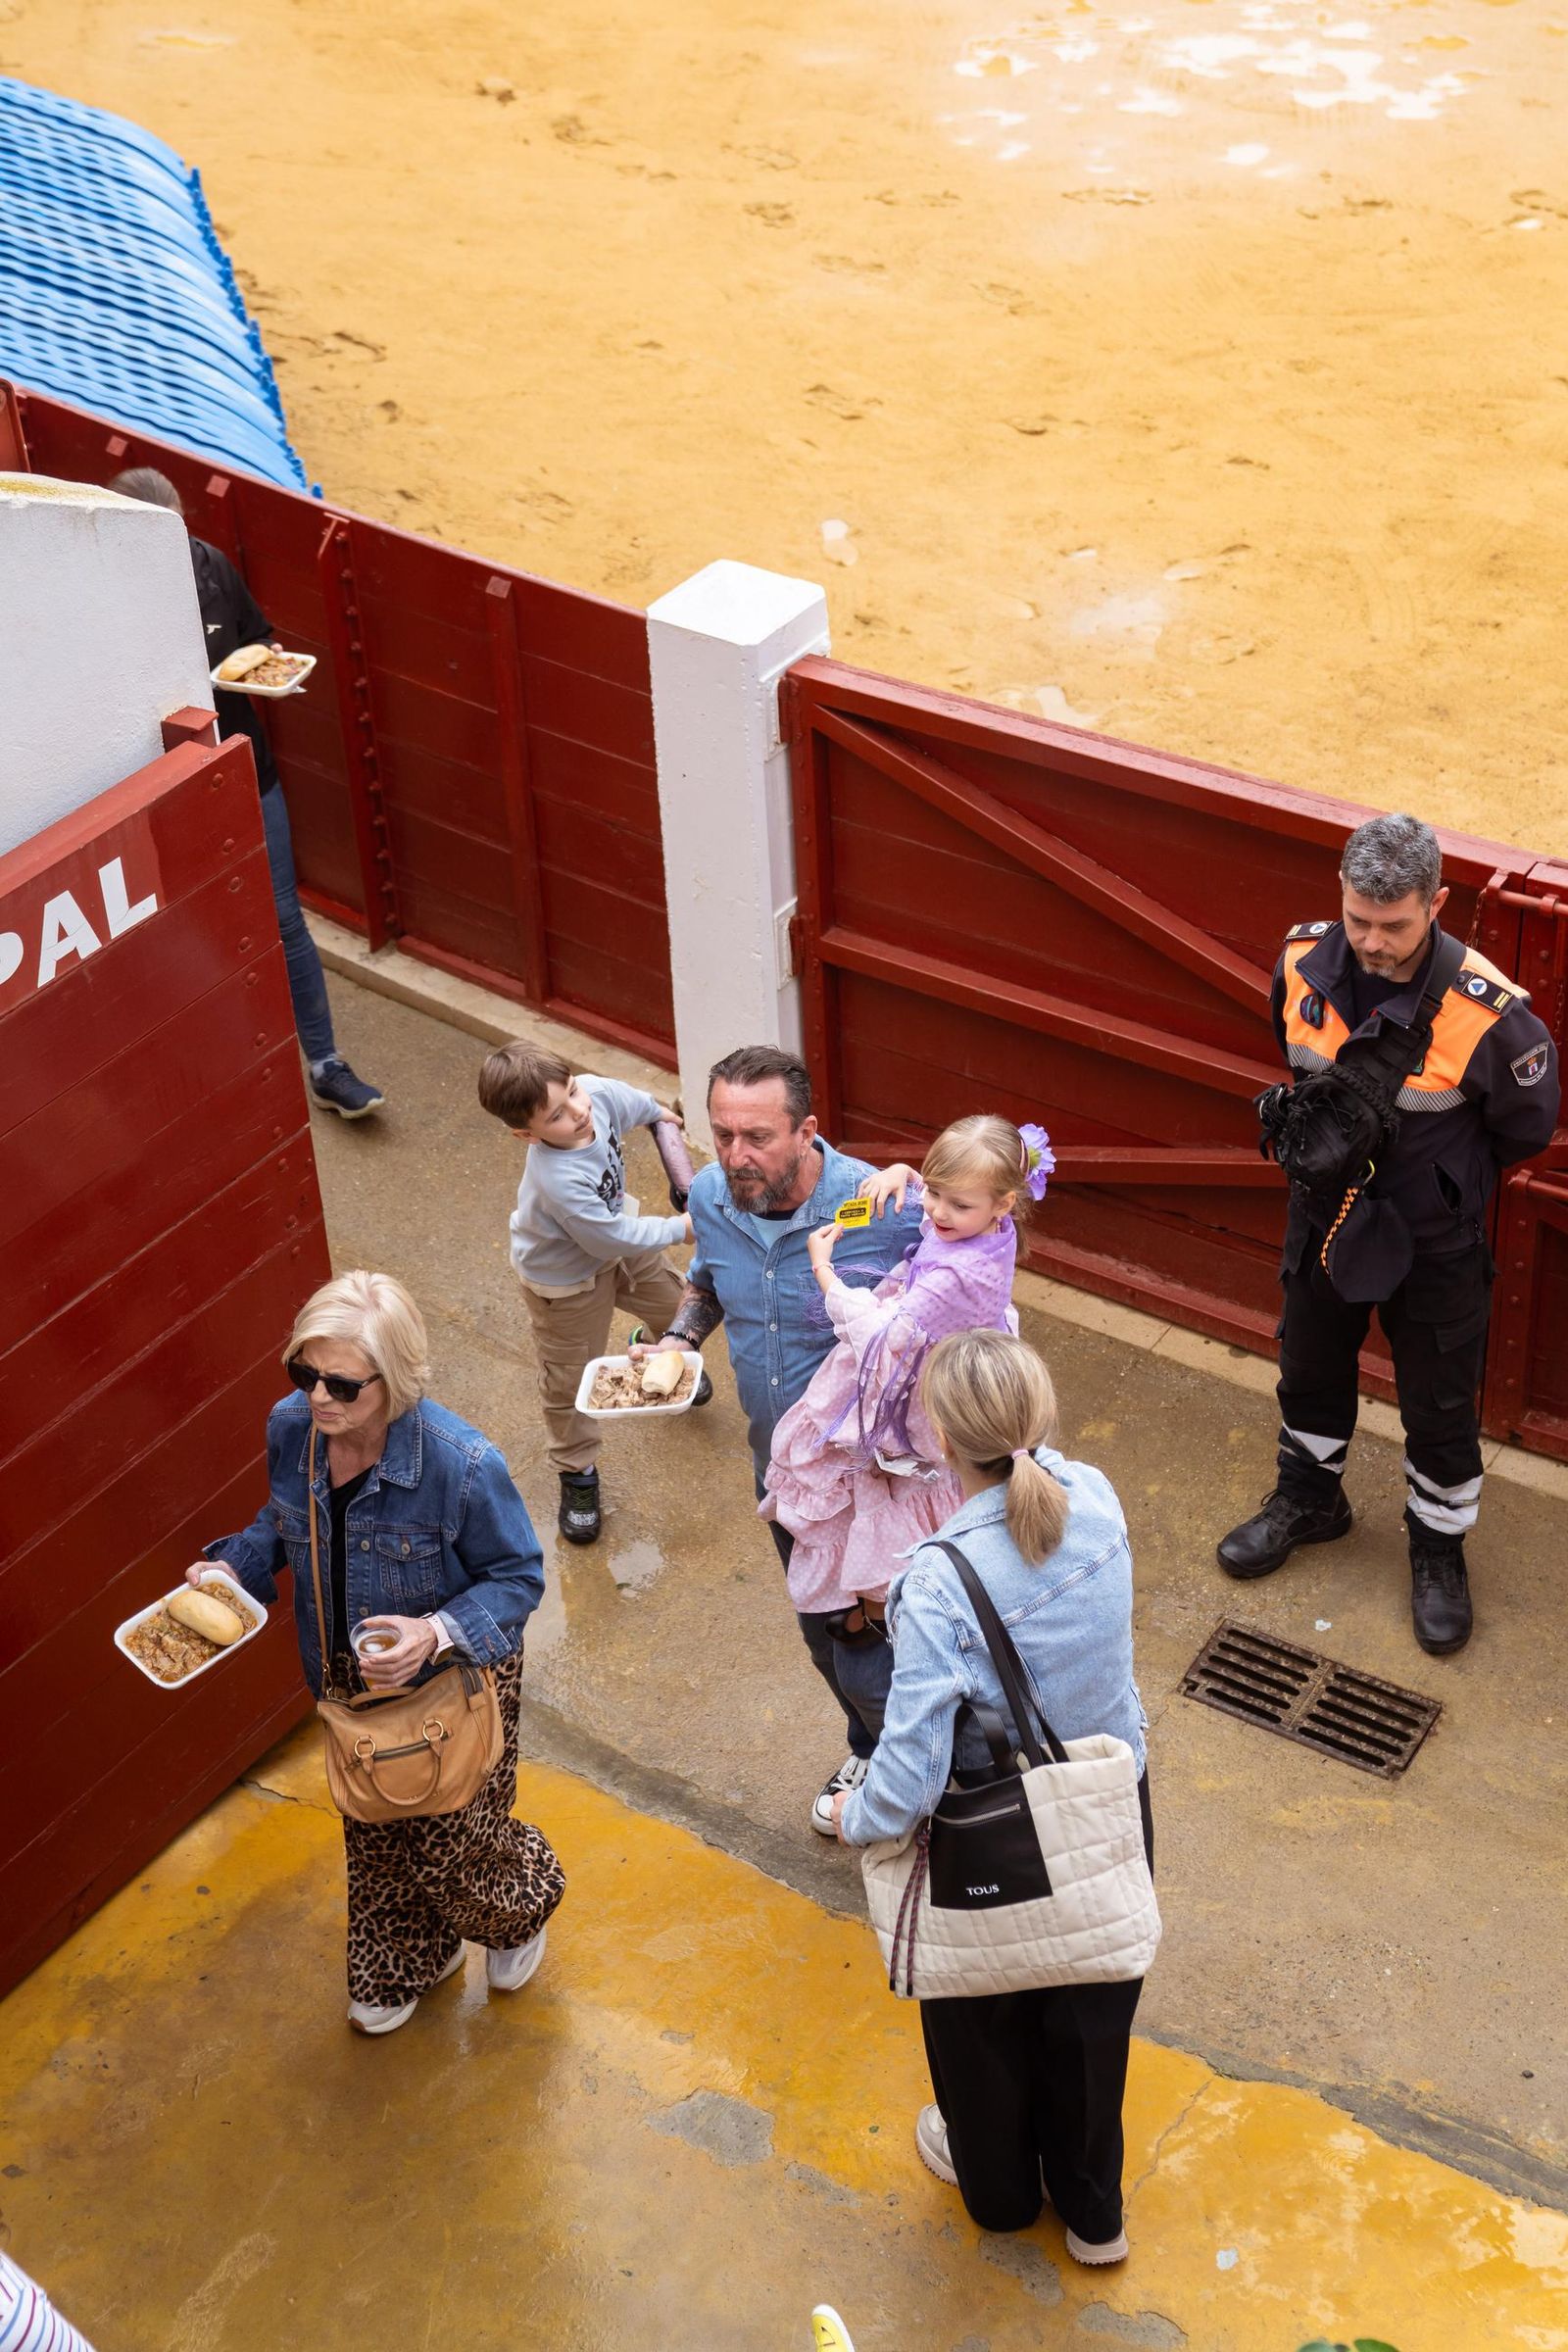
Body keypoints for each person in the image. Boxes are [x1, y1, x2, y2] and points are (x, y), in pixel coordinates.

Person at [832, 1329, 1150, 2265]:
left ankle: (1003, 2195)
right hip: (1105, 1798)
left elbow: (914, 1767)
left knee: (982, 2026)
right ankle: (1096, 2217)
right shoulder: (1096, 1496)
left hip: (993, 1831)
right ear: (1040, 1412)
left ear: (938, 1437)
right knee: (1091, 2023)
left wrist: (860, 1818)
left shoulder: (936, 1579)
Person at [1218, 812, 1559, 1654]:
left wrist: (1439, 1182)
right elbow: (1293, 1057)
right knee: (1308, 1363)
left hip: (1435, 1241)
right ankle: (1309, 1499)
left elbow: (1524, 1131)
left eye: (1394, 924)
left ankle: (1438, 1551)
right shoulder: (1300, 959)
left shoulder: (1493, 1015)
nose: (1371, 941)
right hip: (1322, 1217)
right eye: (1357, 919)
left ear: (1436, 902)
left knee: (1440, 1402)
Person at [191, 1269, 564, 2034]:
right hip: (346, 1680)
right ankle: (405, 1958)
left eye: (340, 1383)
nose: (317, 1397)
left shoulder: (462, 1466)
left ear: (393, 1380)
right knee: (375, 1834)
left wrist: (433, 1633)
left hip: (453, 1679)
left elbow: (519, 1578)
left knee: (452, 1845)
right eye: (304, 1373)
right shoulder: (293, 1428)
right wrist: (238, 1569)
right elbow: (280, 1519)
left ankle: (516, 1911)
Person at [632, 1045, 924, 1834]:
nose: (735, 1155)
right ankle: (873, 1744)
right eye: (722, 1134)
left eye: (757, 1136)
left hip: (878, 1480)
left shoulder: (883, 1206)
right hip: (784, 1475)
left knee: (887, 1638)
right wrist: (680, 1341)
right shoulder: (715, 1199)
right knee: (823, 1632)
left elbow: (977, 1270)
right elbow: (708, 1278)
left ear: (807, 1132)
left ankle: (923, 1779)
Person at [107, 466, 384, 1120]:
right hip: (162, 789)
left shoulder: (208, 565)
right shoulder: (106, 599)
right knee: (181, 928)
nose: (176, 548)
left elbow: (257, 636)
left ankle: (325, 1064)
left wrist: (261, 663)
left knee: (284, 917)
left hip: (243, 766)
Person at [762, 1113, 1050, 1739]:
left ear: (1004, 1203)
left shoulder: (952, 1276)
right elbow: (936, 1197)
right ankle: (877, 1599)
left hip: (928, 1373)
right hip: (949, 1345)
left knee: (899, 1482)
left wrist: (824, 1272)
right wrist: (903, 1175)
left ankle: (877, 1602)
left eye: (957, 1202)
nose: (939, 1211)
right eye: (936, 1194)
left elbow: (881, 1339)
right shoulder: (984, 1222)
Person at [476, 1041, 711, 1544]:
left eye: (574, 1092)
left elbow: (637, 1103)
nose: (579, 1112)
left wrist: (662, 1118)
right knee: (568, 1381)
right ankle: (576, 1470)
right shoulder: (555, 1178)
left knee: (679, 1306)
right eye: (557, 1115)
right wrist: (680, 1227)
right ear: (526, 1134)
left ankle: (667, 1355)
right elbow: (608, 1237)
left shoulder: (595, 1096)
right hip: (568, 1280)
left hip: (620, 1240)